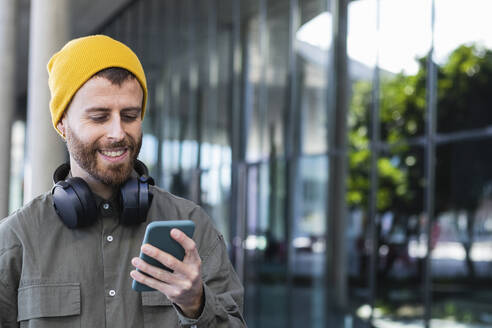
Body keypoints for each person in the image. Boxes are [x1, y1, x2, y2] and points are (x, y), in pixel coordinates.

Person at [0, 35, 246, 328]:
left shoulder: (192, 229)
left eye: (129, 116)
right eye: (99, 117)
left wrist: (196, 305)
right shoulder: (16, 241)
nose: (118, 133)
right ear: (63, 123)